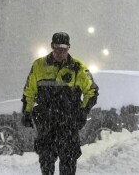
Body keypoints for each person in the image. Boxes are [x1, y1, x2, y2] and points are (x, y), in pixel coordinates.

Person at [22, 32, 98, 175]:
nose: (60, 52)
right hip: (46, 123)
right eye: (57, 48)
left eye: (64, 48)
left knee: (68, 164)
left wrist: (82, 112)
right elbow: (29, 91)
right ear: (52, 46)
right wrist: (27, 111)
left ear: (69, 47)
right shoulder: (39, 65)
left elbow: (92, 91)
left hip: (68, 124)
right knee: (46, 163)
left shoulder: (78, 68)